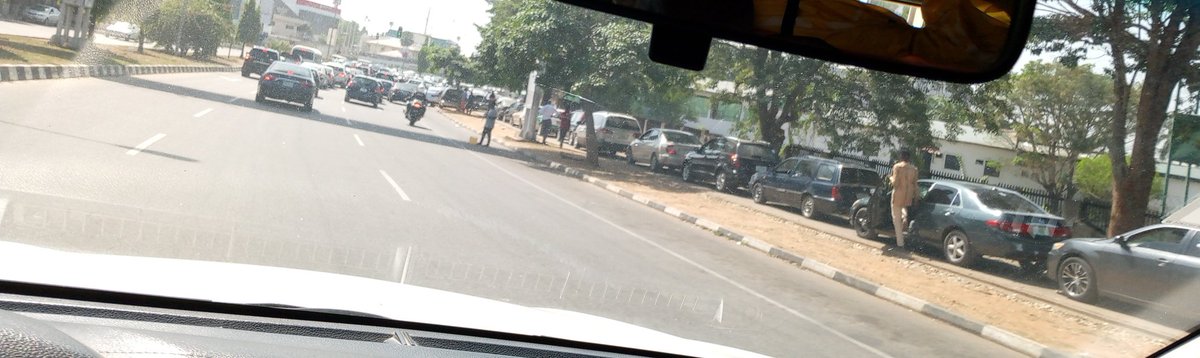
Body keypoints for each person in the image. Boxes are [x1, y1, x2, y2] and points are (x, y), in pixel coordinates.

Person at [889, 150, 919, 248]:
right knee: (903, 208)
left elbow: (895, 183)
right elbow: (915, 185)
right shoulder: (914, 169)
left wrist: (890, 178)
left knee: (896, 219)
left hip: (898, 195)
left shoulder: (897, 167)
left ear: (901, 157)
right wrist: (916, 198)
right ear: (909, 158)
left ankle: (900, 243)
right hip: (908, 196)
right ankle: (905, 217)